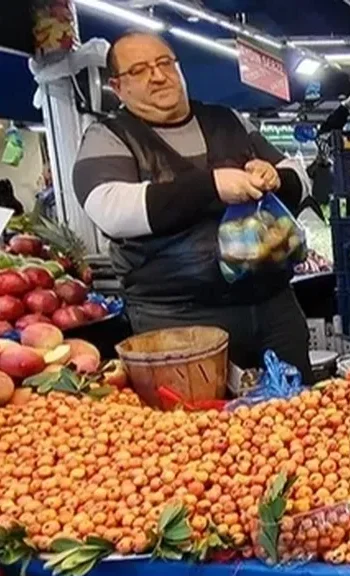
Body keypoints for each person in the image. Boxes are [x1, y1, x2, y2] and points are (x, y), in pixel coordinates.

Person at [72, 32, 314, 380]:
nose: (157, 76)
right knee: (197, 429)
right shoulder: (108, 135)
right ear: (118, 86)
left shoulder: (228, 120)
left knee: (303, 418)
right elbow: (109, 207)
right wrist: (212, 185)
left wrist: (277, 177)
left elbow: (299, 175)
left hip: (274, 308)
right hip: (178, 321)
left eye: (164, 63)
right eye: (139, 70)